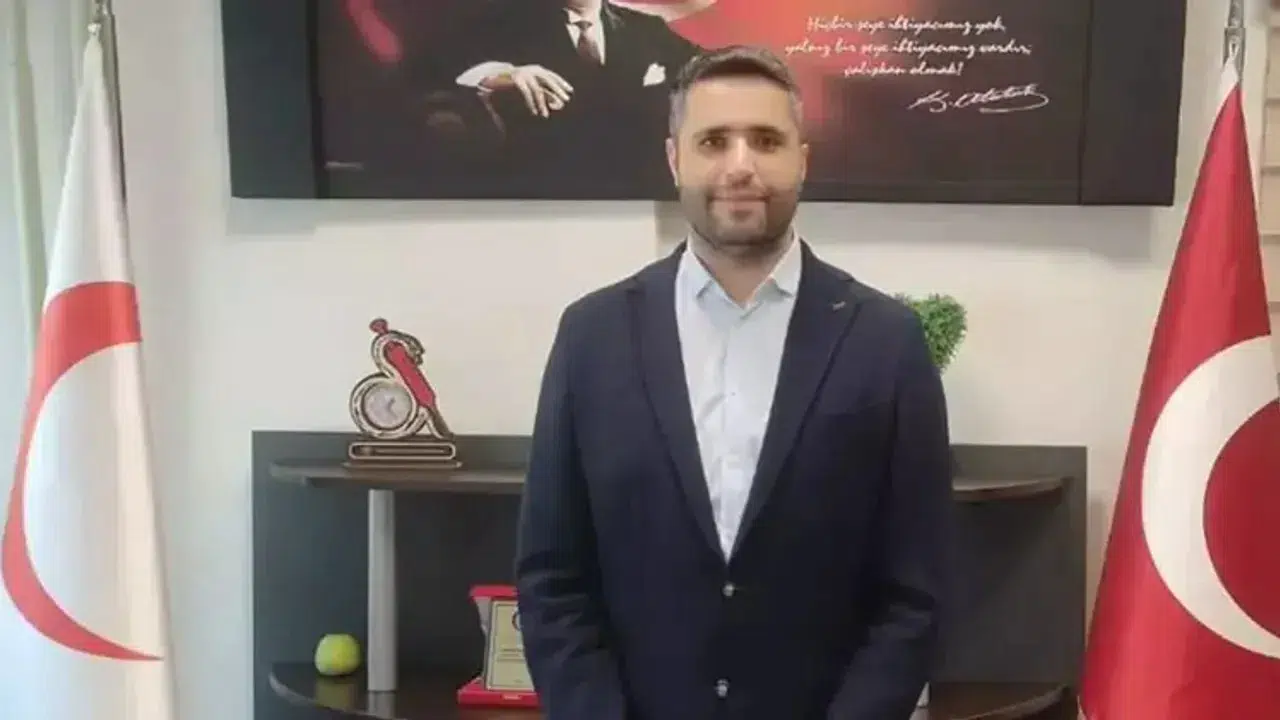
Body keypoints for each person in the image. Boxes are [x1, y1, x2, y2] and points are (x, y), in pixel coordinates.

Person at [514, 44, 954, 720]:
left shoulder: (886, 342)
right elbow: (553, 578)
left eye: (766, 141)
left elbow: (916, 591)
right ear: (675, 160)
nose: (740, 165)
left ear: (802, 159)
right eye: (713, 141)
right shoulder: (592, 337)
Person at [445, 0, 703, 198]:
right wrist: (503, 74)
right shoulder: (507, 25)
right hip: (541, 192)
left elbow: (708, 67)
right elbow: (445, 76)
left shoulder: (647, 28)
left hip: (635, 194)